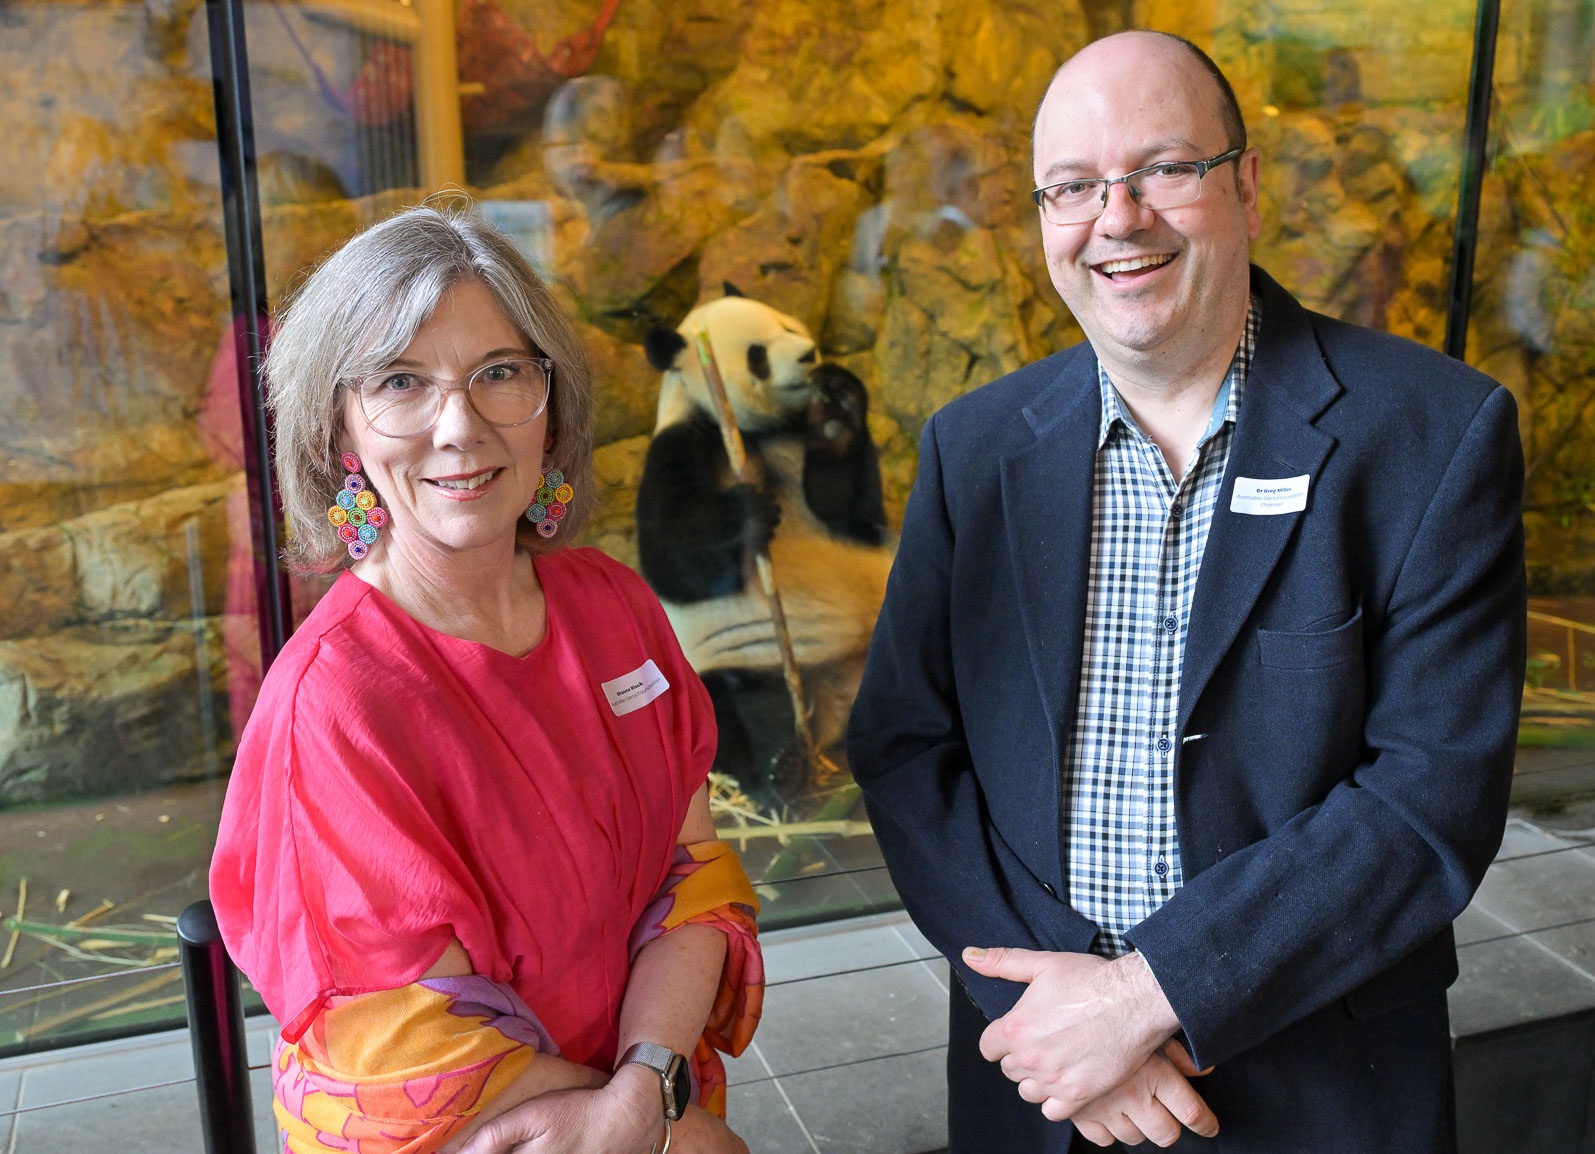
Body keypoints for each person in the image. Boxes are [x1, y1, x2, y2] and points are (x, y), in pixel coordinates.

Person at [847, 30, 1524, 1154]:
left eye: (1164, 168)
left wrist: (1147, 996)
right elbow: (906, 748)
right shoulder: (975, 450)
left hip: (1318, 1089)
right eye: (1073, 186)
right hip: (1043, 1085)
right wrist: (1054, 1013)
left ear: (1247, 185)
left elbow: (1430, 792)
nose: (1117, 218)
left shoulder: (1430, 434)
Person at [210, 203, 762, 1154]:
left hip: (646, 1098)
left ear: (552, 405)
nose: (459, 427)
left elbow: (694, 878)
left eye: (500, 372)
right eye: (401, 382)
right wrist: (665, 1134)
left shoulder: (614, 606)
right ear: (340, 428)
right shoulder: (332, 704)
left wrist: (647, 1089)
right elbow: (418, 1052)